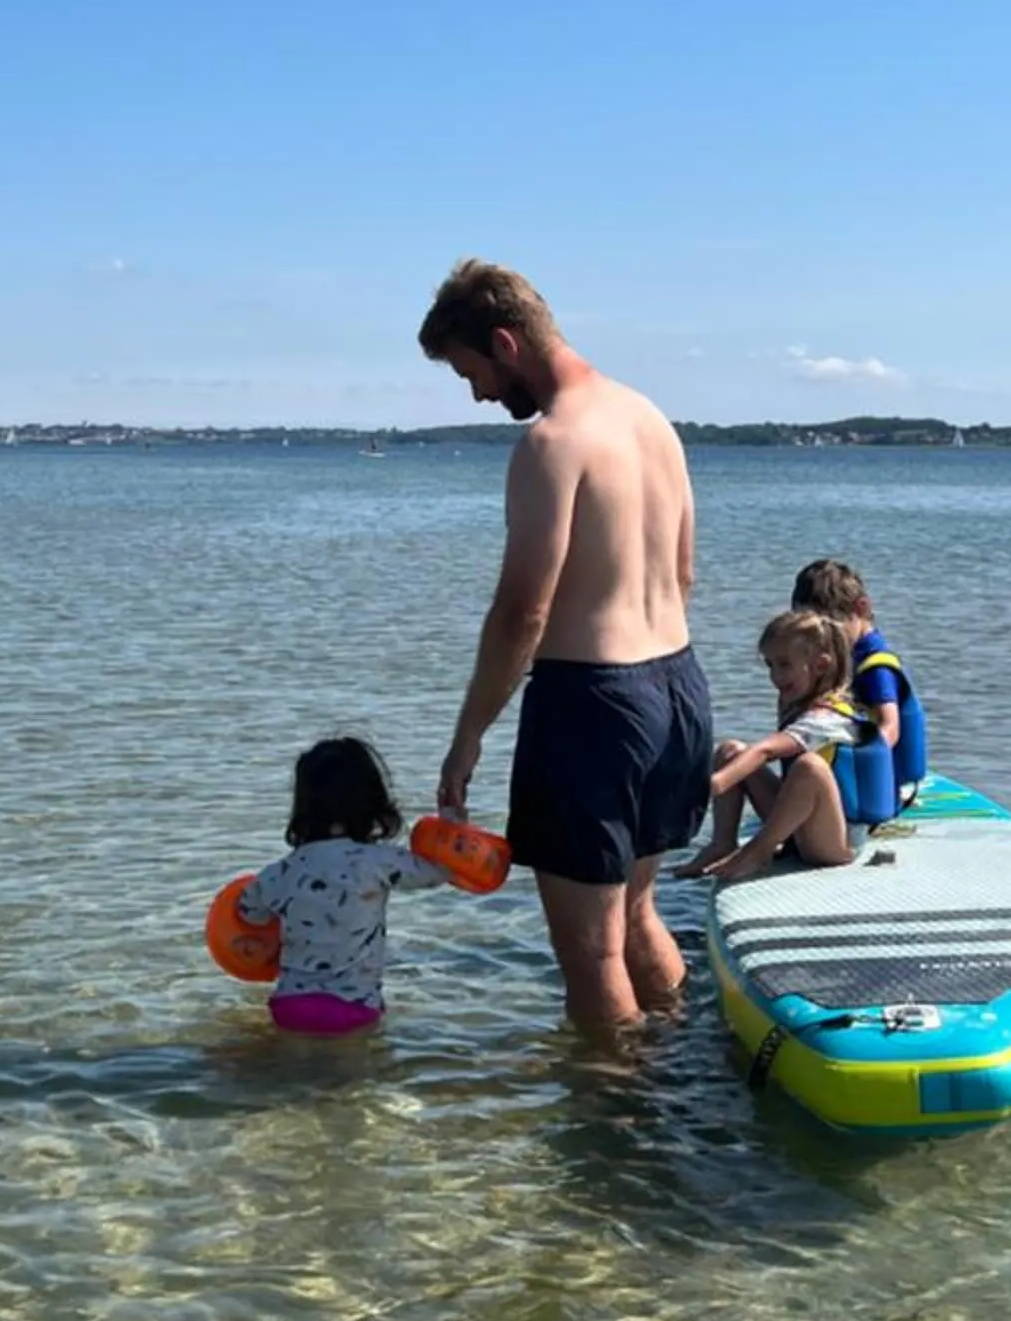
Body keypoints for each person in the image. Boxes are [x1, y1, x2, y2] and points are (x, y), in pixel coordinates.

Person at [418, 257, 711, 1033]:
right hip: (677, 688)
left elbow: (523, 611)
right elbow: (684, 572)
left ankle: (612, 1108)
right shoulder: (650, 419)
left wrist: (467, 738)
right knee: (638, 917)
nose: (479, 395)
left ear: (505, 344)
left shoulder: (552, 443)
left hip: (593, 704)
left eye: (471, 373)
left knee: (591, 954)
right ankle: (677, 1071)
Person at [240, 736, 455, 1034]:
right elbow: (437, 873)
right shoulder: (379, 861)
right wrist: (450, 826)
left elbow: (248, 911)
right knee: (357, 1065)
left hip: (291, 1007)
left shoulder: (282, 871)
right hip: (354, 1007)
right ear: (372, 802)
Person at [675, 608, 860, 883]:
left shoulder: (827, 718)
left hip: (833, 842)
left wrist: (711, 785)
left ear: (821, 666)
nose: (775, 676)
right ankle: (722, 845)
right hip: (801, 830)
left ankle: (759, 851)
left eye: (784, 665)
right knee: (731, 752)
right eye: (770, 665)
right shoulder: (795, 704)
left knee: (809, 767)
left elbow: (766, 750)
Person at [791, 558, 926, 802]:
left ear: (861, 609)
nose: (821, 640)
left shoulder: (877, 669)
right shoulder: (845, 655)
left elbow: (890, 728)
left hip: (881, 787)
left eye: (829, 628)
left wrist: (857, 765)